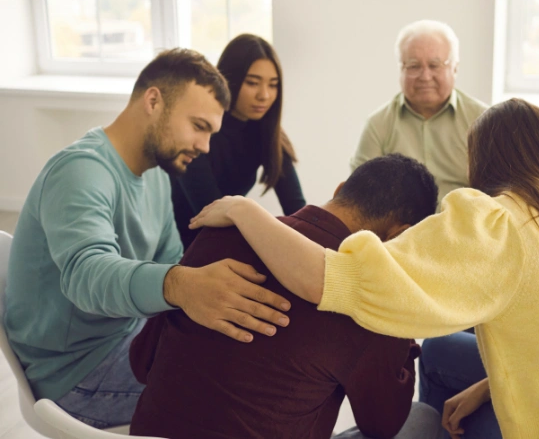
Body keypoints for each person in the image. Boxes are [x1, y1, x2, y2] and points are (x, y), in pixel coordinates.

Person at [191, 98, 539, 439]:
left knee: (412, 412)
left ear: (482, 162)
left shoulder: (498, 222)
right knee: (442, 351)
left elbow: (328, 278)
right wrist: (489, 386)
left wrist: (243, 210)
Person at [2, 49, 292, 429]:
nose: (205, 146)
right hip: (74, 374)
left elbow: (171, 257)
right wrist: (181, 285)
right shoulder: (81, 172)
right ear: (153, 101)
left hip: (127, 336)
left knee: (257, 360)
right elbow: (87, 275)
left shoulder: (156, 173)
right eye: (198, 126)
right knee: (242, 400)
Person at [130, 154, 440, 439]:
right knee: (422, 418)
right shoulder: (369, 296)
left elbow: (141, 362)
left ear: (340, 189)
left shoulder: (221, 230)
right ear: (399, 234)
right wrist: (403, 330)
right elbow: (383, 425)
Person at [171, 34, 306, 249]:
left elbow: (297, 210)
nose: (264, 95)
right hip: (186, 248)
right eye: (252, 83)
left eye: (273, 85)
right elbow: (211, 214)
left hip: (229, 242)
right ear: (229, 79)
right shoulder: (198, 134)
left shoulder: (267, 132)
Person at [351, 19, 487, 204]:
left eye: (434, 65)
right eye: (414, 66)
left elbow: (500, 194)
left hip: (465, 229)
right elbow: (359, 197)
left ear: (455, 68)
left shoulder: (483, 121)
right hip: (399, 231)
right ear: (401, 69)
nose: (425, 76)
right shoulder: (378, 125)